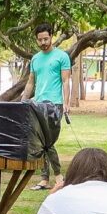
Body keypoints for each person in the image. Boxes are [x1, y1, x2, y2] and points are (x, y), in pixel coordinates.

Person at [26, 28, 72, 185]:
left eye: (46, 39)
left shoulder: (62, 56)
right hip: (37, 103)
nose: (43, 43)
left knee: (48, 142)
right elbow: (31, 81)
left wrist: (66, 103)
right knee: (39, 142)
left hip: (54, 104)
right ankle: (44, 179)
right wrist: (23, 100)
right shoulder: (35, 59)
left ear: (51, 37)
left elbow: (66, 81)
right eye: (40, 40)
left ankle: (58, 176)